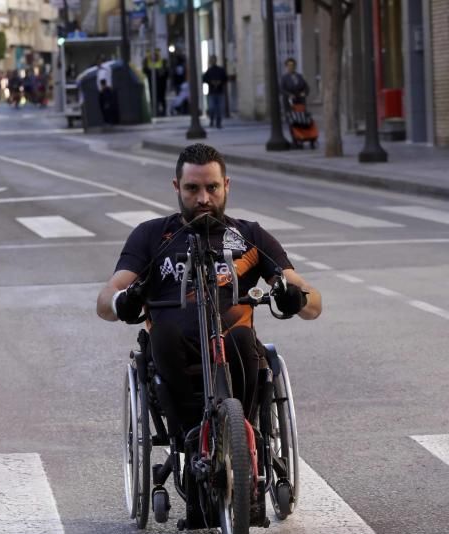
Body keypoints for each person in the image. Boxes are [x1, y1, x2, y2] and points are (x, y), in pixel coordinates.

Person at [96, 144, 321, 436]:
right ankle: (189, 434)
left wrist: (295, 297)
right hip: (174, 350)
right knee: (163, 334)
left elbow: (312, 302)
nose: (203, 198)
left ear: (226, 185)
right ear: (176, 187)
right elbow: (106, 298)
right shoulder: (151, 236)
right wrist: (121, 302)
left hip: (233, 345)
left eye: (212, 187)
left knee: (241, 337)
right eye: (192, 188)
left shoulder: (249, 236)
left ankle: (242, 434)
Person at [202, 55, 227, 129]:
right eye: (211, 60)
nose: (212, 61)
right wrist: (211, 82)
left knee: (219, 108)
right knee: (211, 108)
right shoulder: (209, 71)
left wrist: (220, 82)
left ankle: (218, 122)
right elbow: (204, 79)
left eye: (213, 59)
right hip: (211, 92)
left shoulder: (220, 70)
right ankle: (212, 119)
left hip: (219, 92)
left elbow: (225, 78)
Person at [142, 48, 168, 116]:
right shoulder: (147, 61)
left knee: (161, 98)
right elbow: (144, 71)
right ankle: (154, 111)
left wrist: (161, 72)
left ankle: (163, 111)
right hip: (151, 85)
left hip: (161, 85)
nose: (154, 56)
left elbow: (166, 73)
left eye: (155, 55)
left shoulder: (163, 61)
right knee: (153, 99)